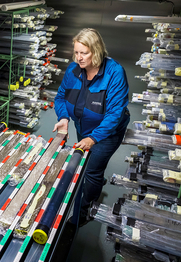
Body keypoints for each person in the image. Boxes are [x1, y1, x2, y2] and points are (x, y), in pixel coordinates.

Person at [53, 28, 130, 226]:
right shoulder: (73, 70)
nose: (79, 58)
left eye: (84, 53)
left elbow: (114, 114)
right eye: (76, 52)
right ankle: (93, 181)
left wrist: (92, 138)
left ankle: (86, 211)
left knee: (93, 170)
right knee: (87, 162)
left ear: (96, 51)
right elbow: (61, 96)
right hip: (83, 125)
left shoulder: (114, 73)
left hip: (107, 133)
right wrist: (63, 117)